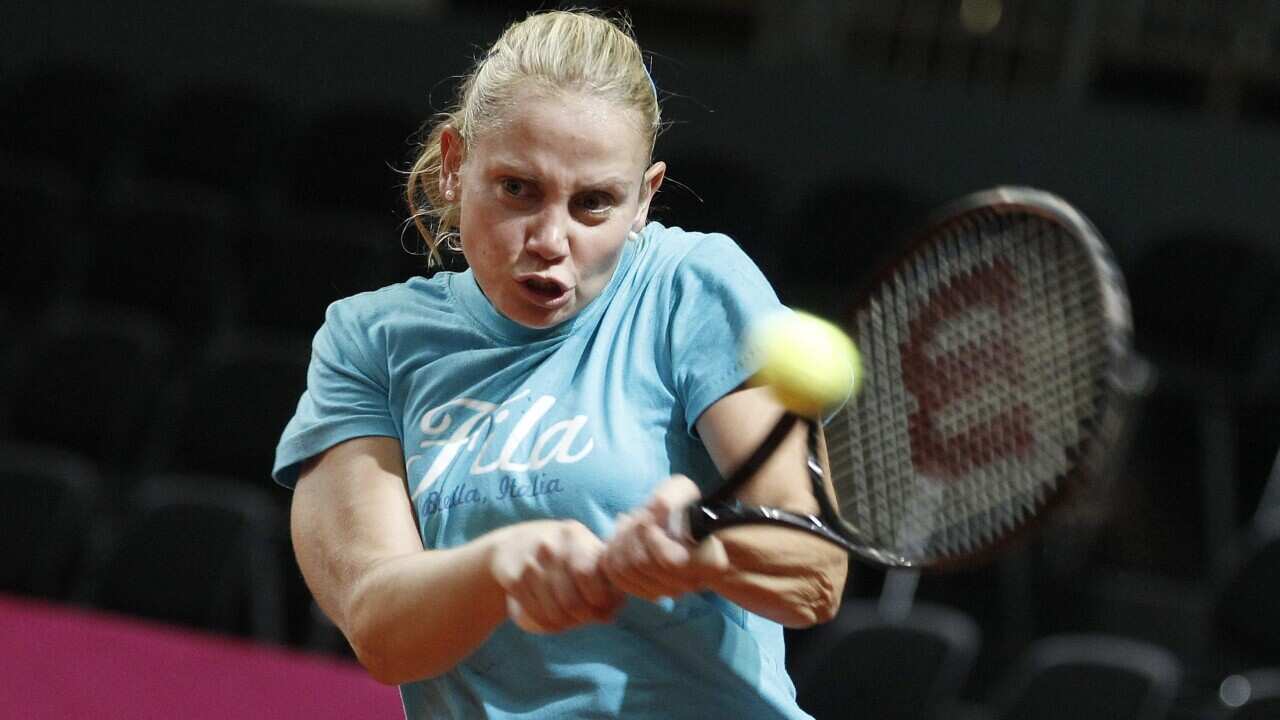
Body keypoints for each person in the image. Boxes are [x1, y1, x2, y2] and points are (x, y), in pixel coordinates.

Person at [274, 10, 848, 719]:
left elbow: (816, 573)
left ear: (644, 198)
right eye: (518, 188)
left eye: (594, 204)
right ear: (456, 165)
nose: (551, 239)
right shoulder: (371, 342)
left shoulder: (691, 287)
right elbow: (379, 628)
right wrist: (497, 564)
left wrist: (707, 557)